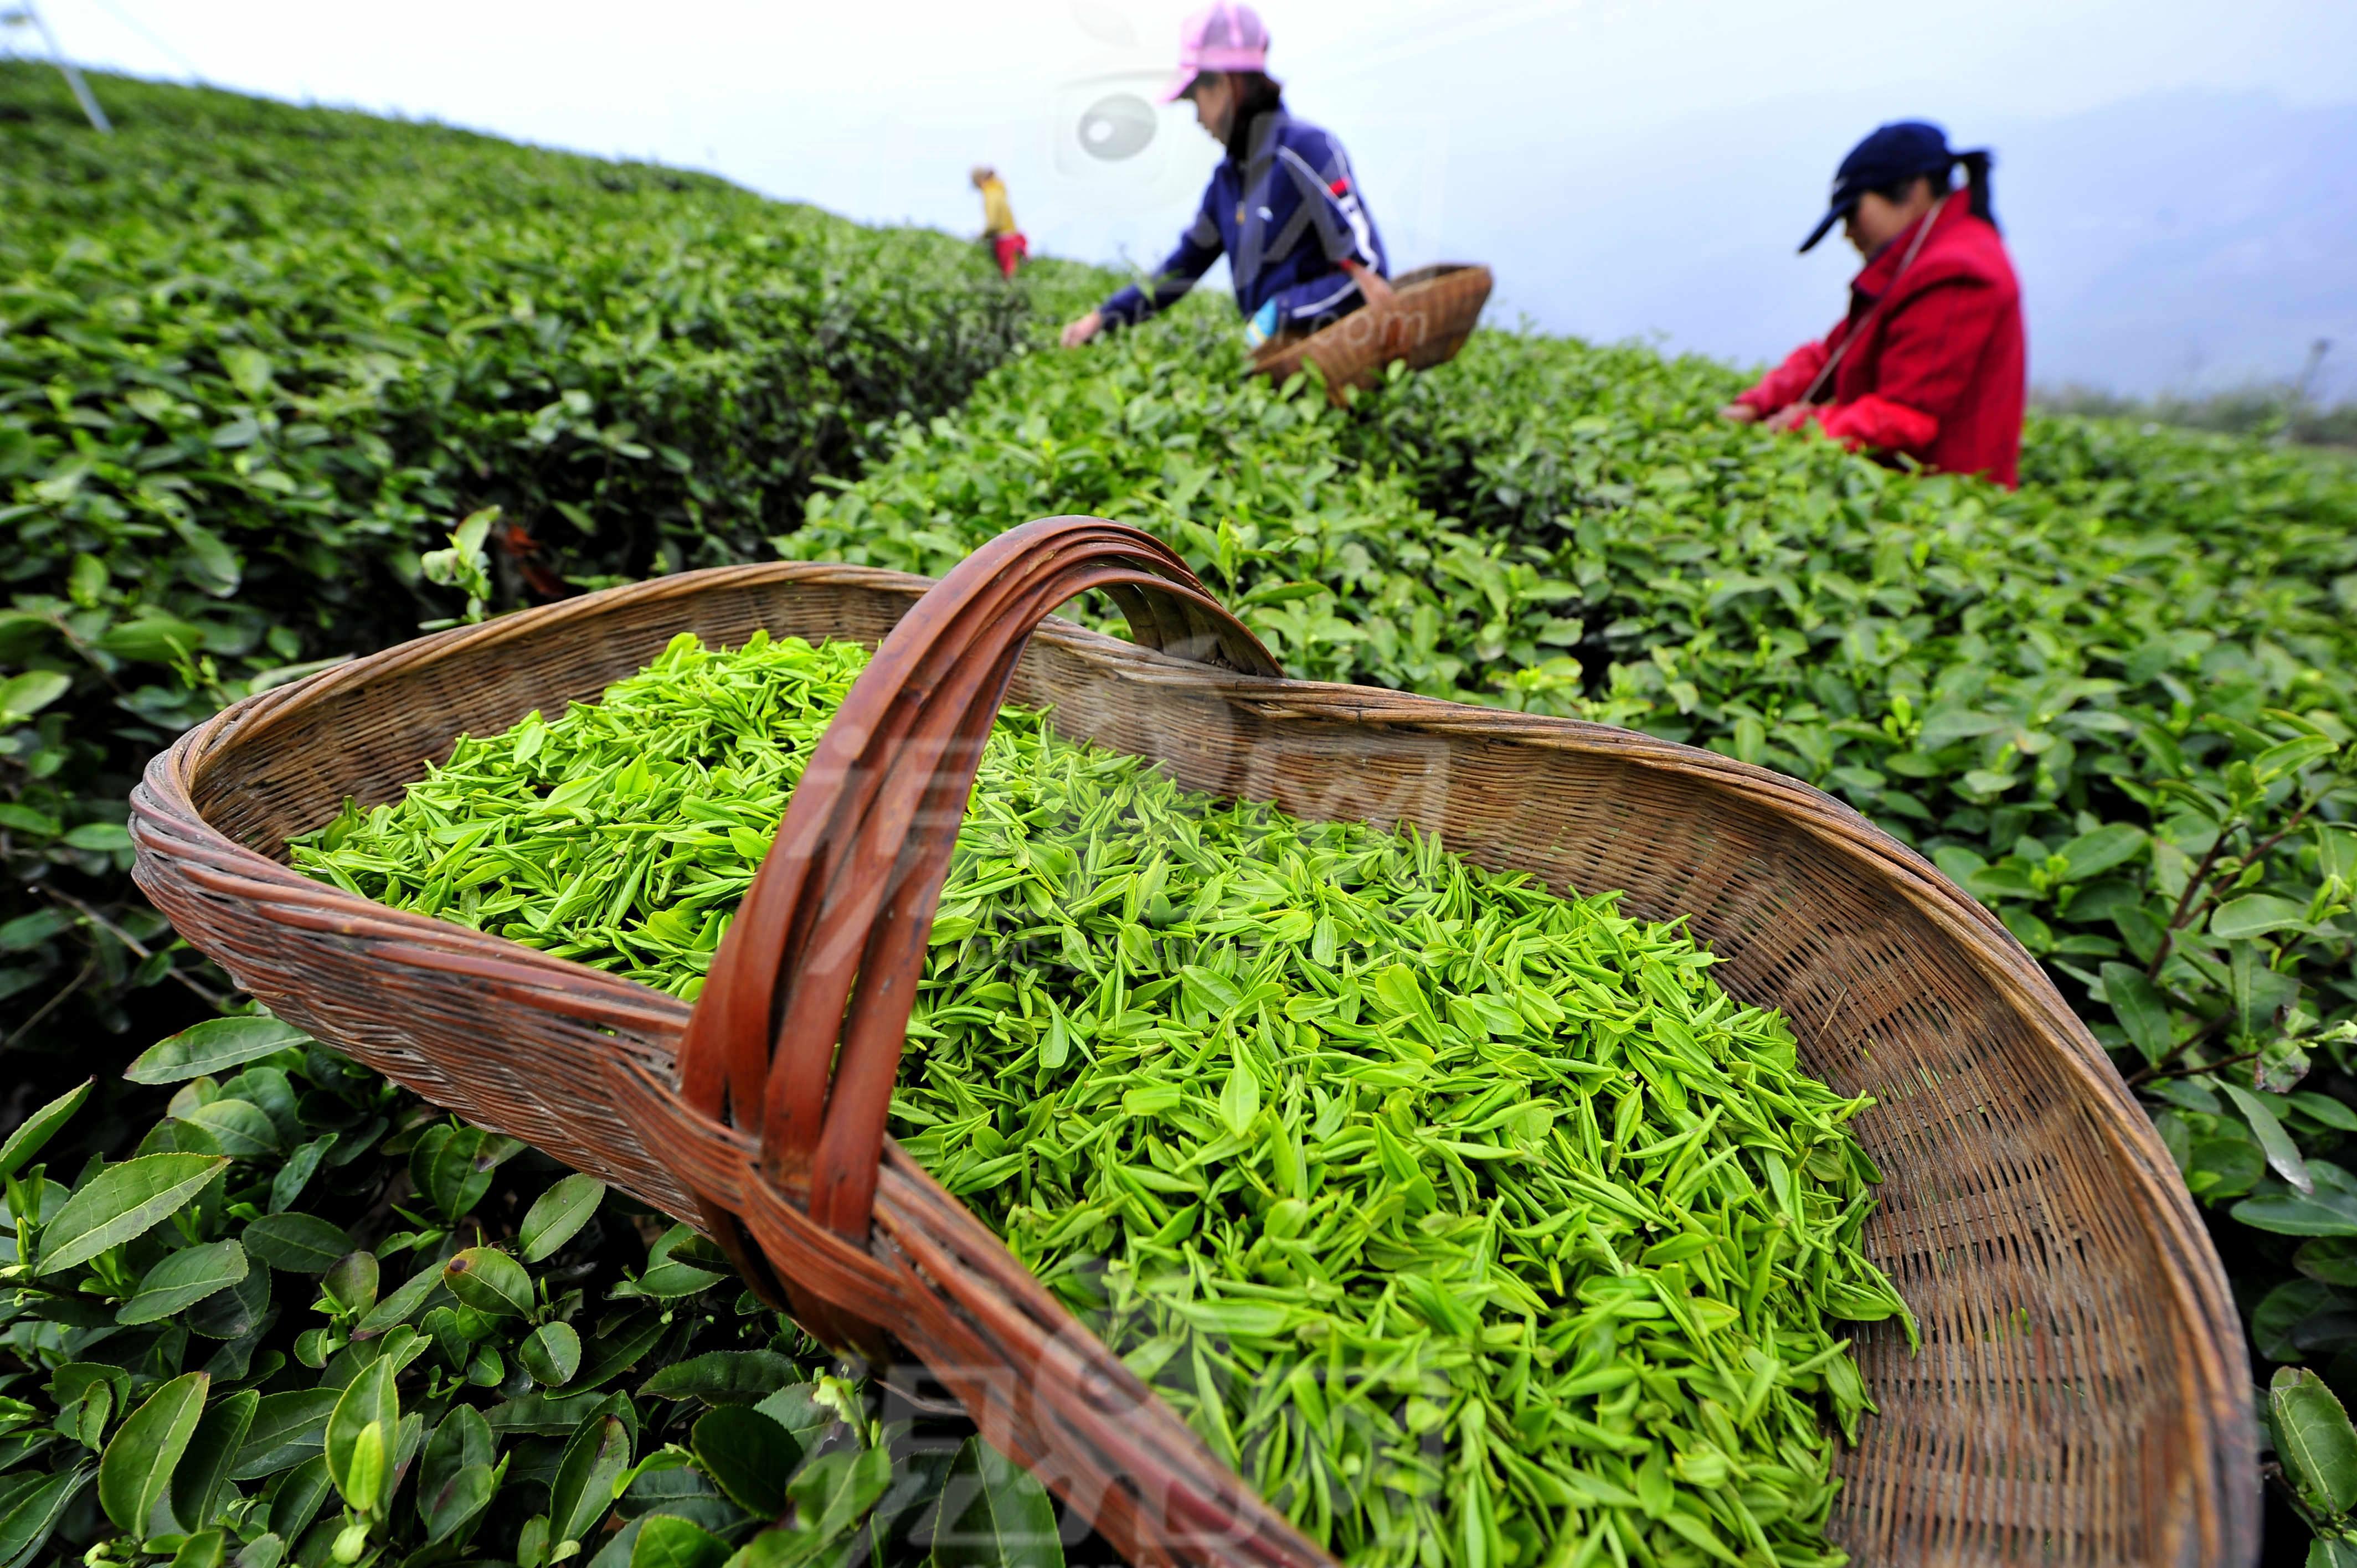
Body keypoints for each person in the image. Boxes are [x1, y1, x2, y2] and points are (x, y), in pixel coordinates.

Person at [1059, 2, 1391, 352]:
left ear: (1222, 86)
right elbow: (1180, 270)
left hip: (1339, 359)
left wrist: (1282, 311)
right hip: (1277, 365)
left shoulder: (1305, 151)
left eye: (1195, 99)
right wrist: (1103, 318)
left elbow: (1369, 274)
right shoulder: (1228, 182)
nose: (1198, 119)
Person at [1722, 121, 2026, 488]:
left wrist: (1801, 426)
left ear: (1913, 191)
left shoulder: (1955, 270)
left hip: (1943, 501)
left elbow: (1907, 417)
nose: (1848, 233)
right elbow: (1837, 353)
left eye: (1853, 214)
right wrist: (1756, 404)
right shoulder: (1916, 259)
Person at [971, 165, 1027, 279]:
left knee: (1009, 277)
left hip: (1005, 242)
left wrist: (982, 236)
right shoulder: (998, 189)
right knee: (1018, 275)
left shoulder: (990, 194)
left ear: (980, 181)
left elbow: (993, 224)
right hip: (1014, 237)